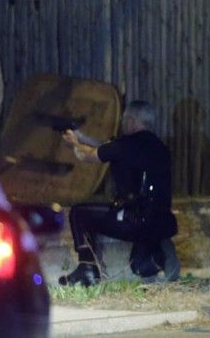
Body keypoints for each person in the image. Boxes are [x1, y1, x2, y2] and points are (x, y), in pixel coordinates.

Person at [58, 100, 180, 286]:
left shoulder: (126, 145)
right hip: (161, 220)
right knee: (140, 265)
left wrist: (74, 143)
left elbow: (89, 155)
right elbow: (107, 148)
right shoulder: (159, 147)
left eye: (124, 119)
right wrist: (82, 137)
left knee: (78, 213)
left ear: (131, 121)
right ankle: (161, 251)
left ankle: (88, 268)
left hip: (134, 220)